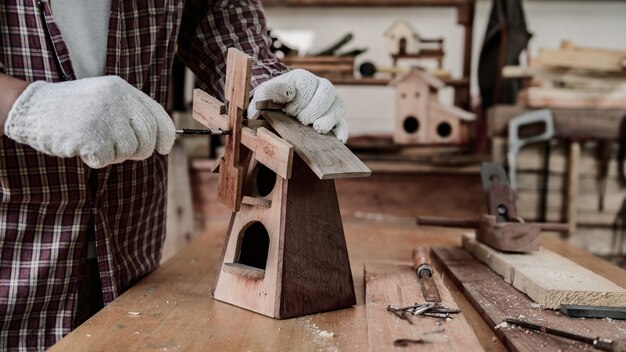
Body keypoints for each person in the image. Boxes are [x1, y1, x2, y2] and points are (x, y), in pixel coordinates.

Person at [0, 1, 347, 350]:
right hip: (13, 269)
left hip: (130, 262)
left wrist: (267, 85)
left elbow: (216, 11)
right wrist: (24, 104)